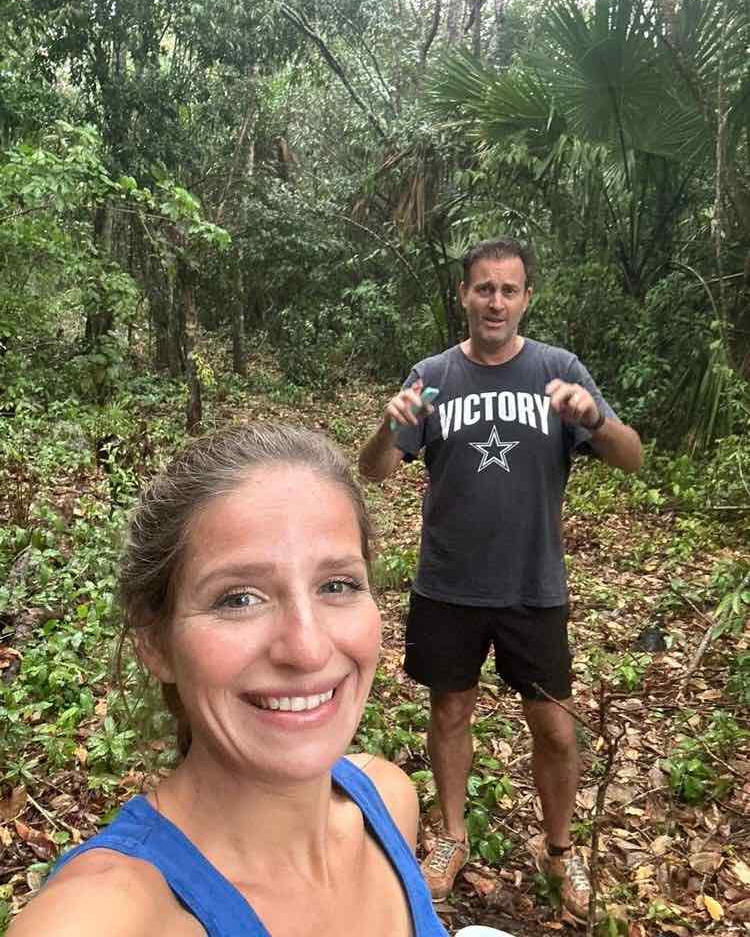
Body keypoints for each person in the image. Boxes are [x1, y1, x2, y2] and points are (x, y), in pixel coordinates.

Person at [9, 425, 450, 937]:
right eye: (238, 598)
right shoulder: (104, 919)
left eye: (337, 585)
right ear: (155, 642)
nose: (307, 650)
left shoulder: (389, 800)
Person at [358, 238, 643, 920]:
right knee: (450, 709)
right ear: (463, 295)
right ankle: (452, 837)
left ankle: (559, 847)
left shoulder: (558, 369)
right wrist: (384, 425)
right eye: (483, 288)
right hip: (448, 582)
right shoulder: (431, 376)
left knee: (553, 726)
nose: (495, 301)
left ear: (527, 298)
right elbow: (376, 470)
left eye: (508, 289)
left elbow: (630, 458)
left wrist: (594, 419)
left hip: (531, 584)